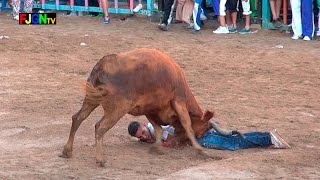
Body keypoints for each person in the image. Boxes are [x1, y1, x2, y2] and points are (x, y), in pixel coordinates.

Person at [128, 121, 291, 151]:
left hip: (200, 136)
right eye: (140, 137)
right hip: (200, 133)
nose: (143, 136)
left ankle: (269, 138)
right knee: (233, 141)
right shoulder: (153, 130)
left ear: (144, 124)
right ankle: (267, 138)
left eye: (142, 132)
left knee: (234, 144)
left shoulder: (156, 127)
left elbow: (177, 135)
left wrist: (169, 143)